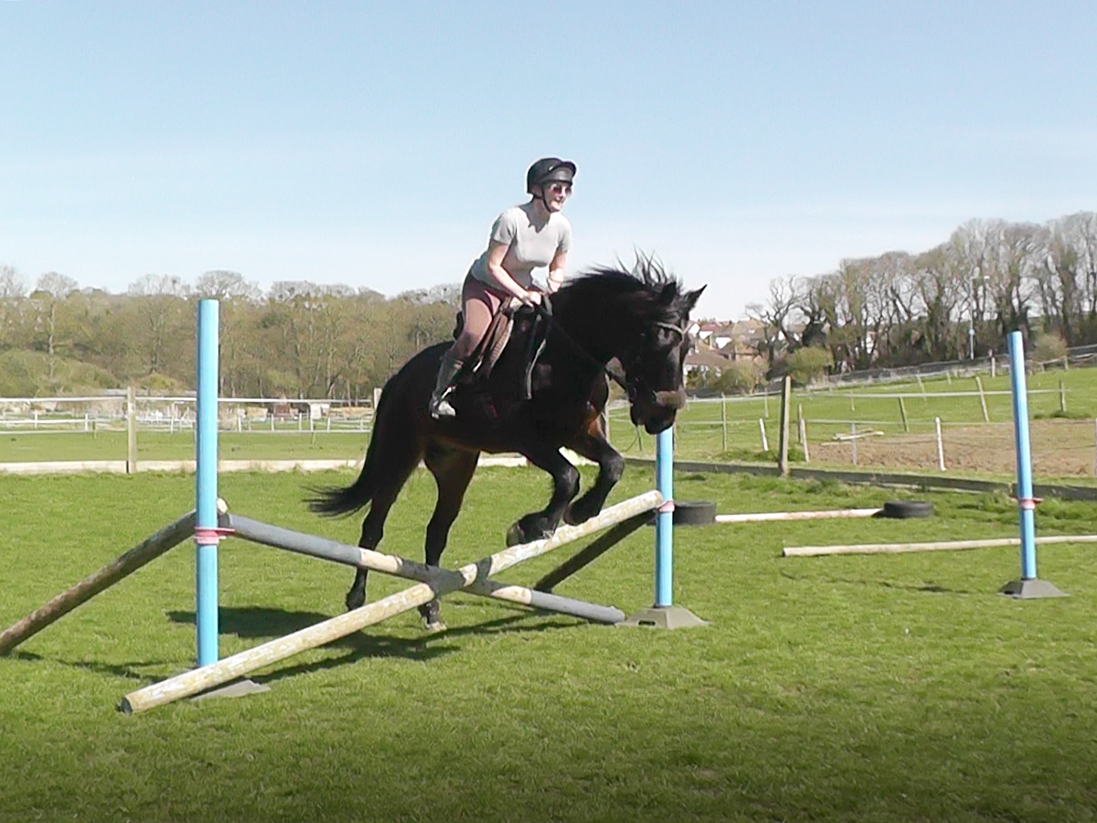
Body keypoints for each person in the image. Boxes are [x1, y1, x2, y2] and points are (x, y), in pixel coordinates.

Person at [429, 157, 576, 419]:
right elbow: (494, 266)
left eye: (567, 189)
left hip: (526, 286)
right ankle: (441, 394)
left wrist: (552, 291)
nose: (563, 194)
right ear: (537, 189)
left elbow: (557, 267)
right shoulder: (511, 219)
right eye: (557, 188)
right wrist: (522, 294)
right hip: (486, 284)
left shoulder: (562, 227)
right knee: (474, 334)